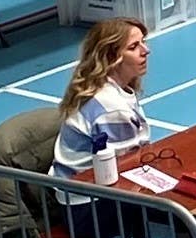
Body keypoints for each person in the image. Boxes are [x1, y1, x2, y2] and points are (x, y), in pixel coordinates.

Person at [53, 19, 154, 183]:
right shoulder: (112, 109)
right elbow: (127, 168)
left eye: (143, 42)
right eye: (133, 47)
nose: (146, 50)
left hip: (77, 188)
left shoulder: (102, 87)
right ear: (110, 58)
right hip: (87, 200)